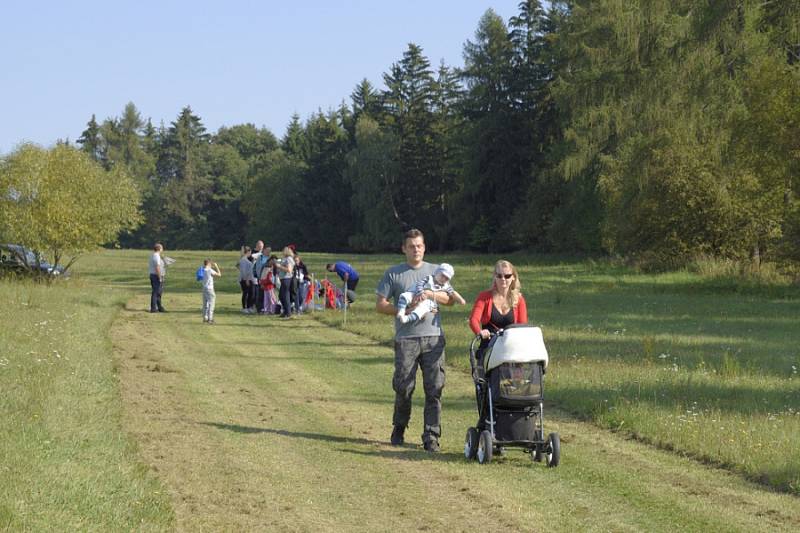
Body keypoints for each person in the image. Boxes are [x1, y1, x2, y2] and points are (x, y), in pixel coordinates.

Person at [376, 228, 456, 452]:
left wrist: (431, 294)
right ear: (404, 249)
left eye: (419, 246)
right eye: (411, 246)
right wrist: (404, 308)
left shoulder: (435, 271)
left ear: (424, 247)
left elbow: (450, 300)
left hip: (433, 337)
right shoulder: (394, 274)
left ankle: (431, 436)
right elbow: (380, 305)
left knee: (435, 389)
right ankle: (399, 426)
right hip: (406, 339)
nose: (416, 250)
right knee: (403, 387)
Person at [468, 259, 528, 372]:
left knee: (515, 385)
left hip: (511, 349)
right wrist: (479, 332)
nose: (503, 279)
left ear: (513, 277)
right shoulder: (484, 297)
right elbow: (473, 320)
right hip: (489, 346)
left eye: (507, 276)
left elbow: (522, 327)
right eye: (499, 276)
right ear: (494, 277)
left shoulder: (519, 300)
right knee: (485, 384)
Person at [396, 263, 466, 324]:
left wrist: (460, 300)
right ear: (437, 272)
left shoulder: (446, 286)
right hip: (415, 293)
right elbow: (419, 284)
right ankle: (401, 311)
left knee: (420, 311)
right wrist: (421, 293)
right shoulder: (429, 278)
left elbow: (452, 293)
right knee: (404, 296)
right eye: (442, 275)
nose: (443, 279)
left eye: (446, 278)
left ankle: (406, 319)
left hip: (427, 302)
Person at [275, 246, 295, 318]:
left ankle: (288, 313)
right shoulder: (285, 259)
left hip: (287, 279)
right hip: (283, 279)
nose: (282, 252)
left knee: (285, 296)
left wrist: (279, 266)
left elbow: (289, 270)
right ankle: (285, 311)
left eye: (283, 250)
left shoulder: (289, 259)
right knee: (281, 296)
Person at [201, 259, 222, 324]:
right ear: (209, 264)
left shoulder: (202, 270)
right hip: (210, 289)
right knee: (211, 304)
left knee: (205, 304)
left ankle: (205, 318)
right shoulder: (210, 270)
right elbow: (219, 275)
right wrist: (216, 266)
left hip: (204, 288)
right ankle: (210, 319)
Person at [148, 243, 166, 313]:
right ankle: (153, 308)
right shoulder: (156, 256)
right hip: (156, 276)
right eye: (162, 248)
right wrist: (160, 277)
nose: (163, 249)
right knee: (155, 292)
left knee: (159, 292)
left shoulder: (154, 255)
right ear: (159, 249)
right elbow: (157, 268)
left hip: (153, 275)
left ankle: (159, 307)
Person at [238, 246, 256, 314]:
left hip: (248, 278)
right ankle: (244, 307)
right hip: (245, 279)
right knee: (246, 293)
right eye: (250, 252)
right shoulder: (244, 260)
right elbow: (244, 271)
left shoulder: (244, 260)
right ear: (248, 252)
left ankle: (248, 307)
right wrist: (246, 279)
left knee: (250, 293)